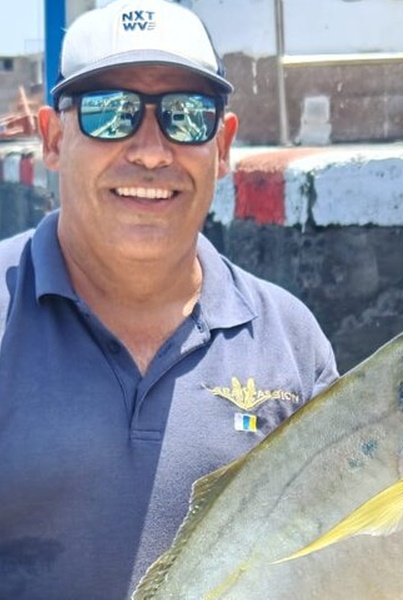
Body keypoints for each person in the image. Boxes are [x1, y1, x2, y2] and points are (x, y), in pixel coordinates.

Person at [0, 1, 338, 598]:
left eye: (187, 115)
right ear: (53, 139)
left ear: (223, 146)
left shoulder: (290, 340)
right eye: (110, 113)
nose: (152, 151)